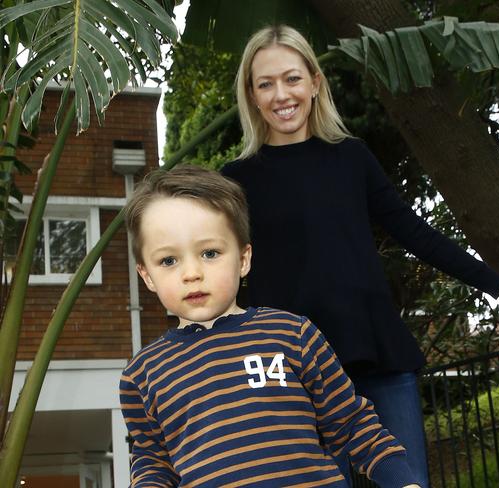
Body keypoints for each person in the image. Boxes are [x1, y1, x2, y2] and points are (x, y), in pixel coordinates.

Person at [221, 24, 499, 487]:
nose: (282, 94)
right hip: (296, 373)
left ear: (315, 83)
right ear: (252, 96)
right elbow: (220, 274)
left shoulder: (351, 159)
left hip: (377, 357)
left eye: (292, 78)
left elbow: (416, 233)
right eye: (266, 83)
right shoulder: (235, 182)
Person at [118, 165, 422, 488]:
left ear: (244, 258)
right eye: (169, 260)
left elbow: (351, 423)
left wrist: (403, 481)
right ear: (147, 275)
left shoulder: (293, 336)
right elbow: (153, 464)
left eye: (210, 253)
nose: (191, 272)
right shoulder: (143, 375)